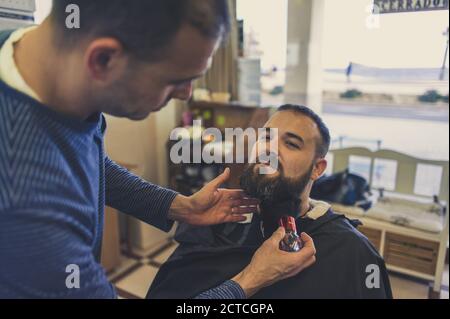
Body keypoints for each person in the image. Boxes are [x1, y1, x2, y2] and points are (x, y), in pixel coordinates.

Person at [0, 1, 316, 298]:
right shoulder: (26, 210)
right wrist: (251, 280)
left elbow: (91, 163)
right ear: (103, 60)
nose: (185, 95)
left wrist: (180, 206)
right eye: (177, 80)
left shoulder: (29, 58)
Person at [147, 105, 393, 299]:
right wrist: (251, 279)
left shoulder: (351, 250)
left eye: (291, 143)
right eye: (266, 137)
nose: (269, 149)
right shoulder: (216, 224)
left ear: (317, 168)